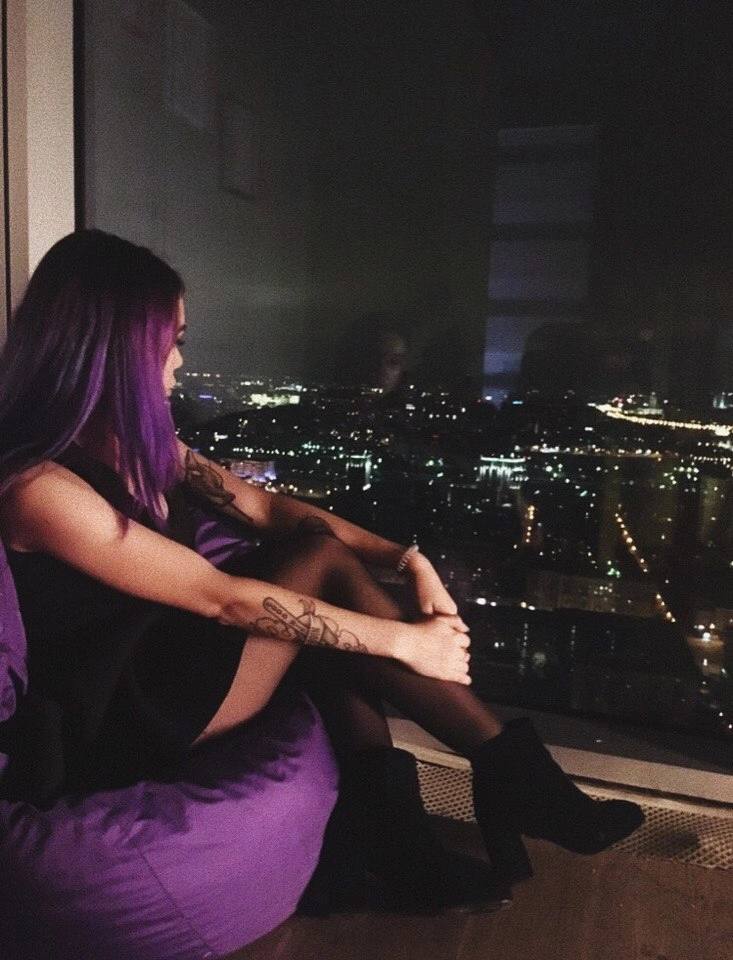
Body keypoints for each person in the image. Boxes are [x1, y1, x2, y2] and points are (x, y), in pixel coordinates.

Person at [0, 230, 643, 917]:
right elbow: (222, 599)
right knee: (319, 563)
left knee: (321, 586)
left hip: (175, 657)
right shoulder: (40, 489)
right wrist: (405, 642)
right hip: (126, 709)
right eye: (170, 342)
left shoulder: (144, 447)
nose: (180, 362)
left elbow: (266, 508)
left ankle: (404, 840)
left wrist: (408, 559)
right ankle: (509, 781)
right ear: (116, 349)